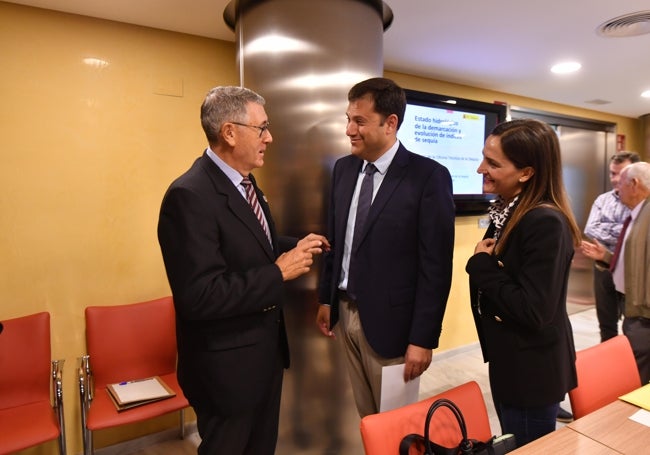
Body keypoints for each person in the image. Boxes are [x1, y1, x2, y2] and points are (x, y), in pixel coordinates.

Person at [157, 86, 329, 455]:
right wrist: (278, 273)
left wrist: (295, 245)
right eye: (262, 128)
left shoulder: (246, 184)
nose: (271, 137)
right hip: (225, 371)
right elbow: (199, 296)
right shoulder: (189, 196)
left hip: (263, 355)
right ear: (230, 133)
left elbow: (251, 245)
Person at [316, 77, 455, 418]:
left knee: (398, 423)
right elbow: (337, 240)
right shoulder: (344, 169)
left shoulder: (428, 177)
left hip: (395, 326)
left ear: (390, 123)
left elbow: (435, 267)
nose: (349, 129)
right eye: (348, 119)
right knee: (368, 418)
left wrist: (423, 338)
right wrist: (326, 298)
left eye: (359, 121)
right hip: (345, 311)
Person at [466, 118, 582, 447]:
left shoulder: (544, 221)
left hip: (531, 372)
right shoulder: (508, 211)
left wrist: (479, 265)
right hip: (512, 361)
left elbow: (534, 310)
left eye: (492, 163)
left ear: (526, 172)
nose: (479, 169)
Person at [581, 161, 650, 384]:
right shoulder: (636, 214)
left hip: (644, 313)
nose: (616, 189)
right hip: (635, 307)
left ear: (634, 184)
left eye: (621, 183)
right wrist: (606, 257)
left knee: (638, 377)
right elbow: (634, 261)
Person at [584, 151, 641, 342]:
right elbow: (591, 229)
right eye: (612, 173)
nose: (615, 179)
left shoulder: (642, 201)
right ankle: (611, 363)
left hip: (633, 270)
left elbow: (637, 234)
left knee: (634, 326)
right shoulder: (603, 200)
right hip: (603, 265)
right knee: (606, 324)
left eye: (621, 174)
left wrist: (610, 228)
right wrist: (626, 229)